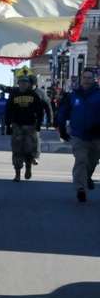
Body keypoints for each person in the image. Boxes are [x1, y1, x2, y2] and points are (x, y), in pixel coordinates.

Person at [56, 68, 100, 202]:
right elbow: (63, 111)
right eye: (84, 77)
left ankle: (86, 177)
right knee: (81, 160)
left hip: (96, 135)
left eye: (89, 77)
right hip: (78, 134)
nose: (86, 80)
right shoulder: (73, 95)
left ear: (94, 80)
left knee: (92, 161)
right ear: (81, 80)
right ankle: (80, 188)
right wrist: (61, 127)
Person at [5, 75, 45, 182]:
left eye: (25, 82)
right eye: (21, 82)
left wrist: (39, 123)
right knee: (17, 149)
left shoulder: (34, 95)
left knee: (29, 149)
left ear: (29, 84)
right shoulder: (13, 96)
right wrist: (7, 126)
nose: (23, 84)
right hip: (17, 125)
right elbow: (8, 111)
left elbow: (40, 110)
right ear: (18, 84)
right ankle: (17, 173)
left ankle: (28, 167)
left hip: (30, 126)